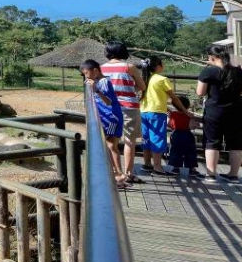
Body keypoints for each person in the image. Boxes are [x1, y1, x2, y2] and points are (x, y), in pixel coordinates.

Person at [197, 45, 242, 183]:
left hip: (215, 110)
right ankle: (233, 175)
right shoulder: (239, 71)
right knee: (236, 143)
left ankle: (211, 174)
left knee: (212, 141)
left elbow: (200, 92)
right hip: (237, 110)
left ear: (212, 57)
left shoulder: (208, 72)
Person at [102, 41, 147, 184]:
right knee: (130, 141)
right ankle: (128, 173)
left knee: (112, 141)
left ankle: (115, 173)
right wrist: (129, 90)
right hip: (129, 107)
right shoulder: (129, 67)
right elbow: (142, 86)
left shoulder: (101, 68)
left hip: (110, 108)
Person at [140, 56, 192, 176]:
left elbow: (152, 97)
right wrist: (184, 110)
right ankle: (158, 168)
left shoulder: (146, 78)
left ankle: (147, 164)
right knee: (157, 138)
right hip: (157, 113)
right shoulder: (162, 79)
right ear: (158, 65)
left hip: (143, 111)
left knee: (146, 139)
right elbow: (174, 98)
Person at [82, 59, 128, 189]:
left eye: (87, 73)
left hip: (111, 118)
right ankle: (114, 173)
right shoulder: (96, 82)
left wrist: (96, 90)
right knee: (108, 145)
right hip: (105, 118)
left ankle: (119, 174)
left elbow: (108, 102)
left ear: (95, 70)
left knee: (111, 145)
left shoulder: (104, 82)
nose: (86, 76)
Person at [168, 93, 202, 178]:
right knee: (190, 152)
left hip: (175, 134)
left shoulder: (173, 114)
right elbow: (191, 126)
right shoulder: (189, 115)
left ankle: (176, 168)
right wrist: (197, 125)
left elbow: (169, 124)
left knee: (175, 151)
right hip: (187, 135)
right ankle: (192, 169)